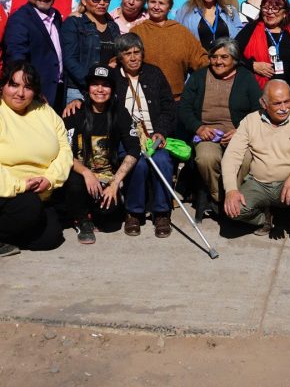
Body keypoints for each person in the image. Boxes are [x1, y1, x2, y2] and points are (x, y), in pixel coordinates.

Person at [222, 80, 290, 255]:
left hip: (288, 183)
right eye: (277, 103)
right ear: (264, 104)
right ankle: (264, 218)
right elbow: (232, 155)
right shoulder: (250, 121)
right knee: (233, 211)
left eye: (287, 101)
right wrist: (231, 190)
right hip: (259, 183)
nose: (283, 108)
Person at [179, 38, 261, 212]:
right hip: (207, 132)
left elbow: (258, 110)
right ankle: (220, 197)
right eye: (214, 57)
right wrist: (198, 127)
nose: (218, 61)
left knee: (245, 159)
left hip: (238, 133)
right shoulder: (199, 77)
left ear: (234, 59)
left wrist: (240, 131)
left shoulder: (246, 78)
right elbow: (184, 107)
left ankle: (234, 195)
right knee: (206, 158)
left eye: (224, 57)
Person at [0, 61, 72, 255]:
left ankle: (6, 238)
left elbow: (65, 149)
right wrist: (20, 185)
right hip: (7, 192)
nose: (20, 93)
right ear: (3, 85)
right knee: (29, 207)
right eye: (14, 85)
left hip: (40, 193)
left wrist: (50, 179)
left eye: (28, 87)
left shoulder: (45, 112)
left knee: (51, 237)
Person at [63, 65, 140, 244]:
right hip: (81, 176)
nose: (99, 89)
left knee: (111, 224)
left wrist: (115, 183)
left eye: (105, 85)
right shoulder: (75, 113)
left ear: (112, 89)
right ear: (87, 88)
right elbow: (65, 153)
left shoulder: (120, 113)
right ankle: (82, 220)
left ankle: (92, 210)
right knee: (74, 182)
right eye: (94, 84)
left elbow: (134, 149)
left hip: (107, 178)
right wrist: (87, 173)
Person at [111, 34, 177, 237]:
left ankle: (162, 212)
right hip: (127, 138)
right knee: (137, 164)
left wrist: (161, 131)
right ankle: (134, 212)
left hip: (152, 136)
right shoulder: (113, 78)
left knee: (163, 161)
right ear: (119, 57)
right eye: (127, 53)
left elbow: (168, 107)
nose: (133, 58)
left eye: (136, 52)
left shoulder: (154, 73)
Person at [3, 0, 65, 112]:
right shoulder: (19, 20)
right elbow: (16, 60)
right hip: (36, 97)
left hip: (58, 94)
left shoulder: (56, 17)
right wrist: (33, 91)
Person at [132, 0, 208, 100]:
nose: (156, 7)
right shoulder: (137, 31)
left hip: (176, 100)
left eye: (161, 3)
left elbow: (201, 60)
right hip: (144, 100)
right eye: (153, 2)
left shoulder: (182, 32)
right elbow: (124, 57)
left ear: (170, 7)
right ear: (147, 3)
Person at [61, 0, 120, 103]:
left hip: (106, 90)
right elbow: (69, 59)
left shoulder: (113, 26)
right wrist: (92, 82)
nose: (102, 2)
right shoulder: (74, 23)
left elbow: (118, 56)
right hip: (79, 90)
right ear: (84, 0)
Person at [235, 0, 290, 88]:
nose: (270, 12)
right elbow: (232, 52)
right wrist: (252, 65)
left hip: (288, 90)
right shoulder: (251, 29)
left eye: (275, 8)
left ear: (285, 13)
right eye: (265, 8)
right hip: (257, 90)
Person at [175, 0, 244, 50]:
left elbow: (240, 39)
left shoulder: (230, 11)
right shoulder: (185, 10)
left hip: (224, 62)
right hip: (199, 62)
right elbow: (176, 38)